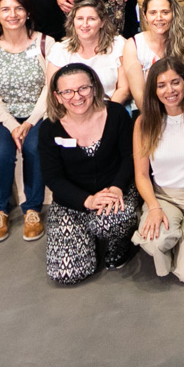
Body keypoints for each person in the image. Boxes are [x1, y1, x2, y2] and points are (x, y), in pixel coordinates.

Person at [35, 63, 139, 283]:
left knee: (108, 222)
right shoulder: (49, 128)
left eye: (83, 88)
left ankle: (119, 241)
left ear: (94, 88)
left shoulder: (116, 114)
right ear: (57, 96)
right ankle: (86, 235)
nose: (77, 96)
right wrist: (87, 200)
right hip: (72, 201)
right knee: (66, 274)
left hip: (114, 190)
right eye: (67, 91)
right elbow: (53, 178)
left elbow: (130, 158)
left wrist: (117, 187)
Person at [0, 0, 51, 244]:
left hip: (39, 114)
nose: (13, 14)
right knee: (2, 153)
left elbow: (50, 88)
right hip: (3, 116)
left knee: (34, 149)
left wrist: (30, 122)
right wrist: (11, 125)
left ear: (28, 12)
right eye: (5, 9)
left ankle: (32, 209)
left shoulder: (45, 43)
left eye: (18, 8)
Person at [132, 57, 184, 284]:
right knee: (154, 242)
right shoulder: (144, 122)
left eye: (175, 82)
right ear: (154, 90)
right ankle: (171, 238)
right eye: (161, 85)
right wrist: (154, 207)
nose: (170, 90)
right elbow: (141, 175)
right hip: (163, 196)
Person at [124, 0, 184, 103]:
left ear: (173, 14)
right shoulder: (133, 45)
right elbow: (139, 95)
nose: (159, 18)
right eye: (153, 13)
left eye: (165, 12)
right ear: (145, 16)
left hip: (183, 107)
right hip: (148, 110)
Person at [48, 0, 131, 104]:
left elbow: (124, 89)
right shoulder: (60, 50)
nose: (85, 24)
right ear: (73, 21)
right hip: (73, 109)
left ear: (102, 23)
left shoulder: (118, 45)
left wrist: (106, 113)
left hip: (111, 106)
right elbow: (54, 92)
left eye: (91, 19)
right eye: (80, 18)